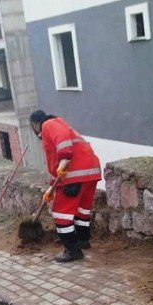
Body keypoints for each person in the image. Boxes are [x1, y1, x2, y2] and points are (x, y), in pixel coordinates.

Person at [29, 110, 102, 262]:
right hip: (90, 172)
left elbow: (63, 144)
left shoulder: (49, 124)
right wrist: (51, 187)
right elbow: (57, 168)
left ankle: (72, 250)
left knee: (61, 214)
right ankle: (83, 241)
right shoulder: (63, 126)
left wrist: (64, 160)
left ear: (35, 124)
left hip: (74, 173)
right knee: (82, 210)